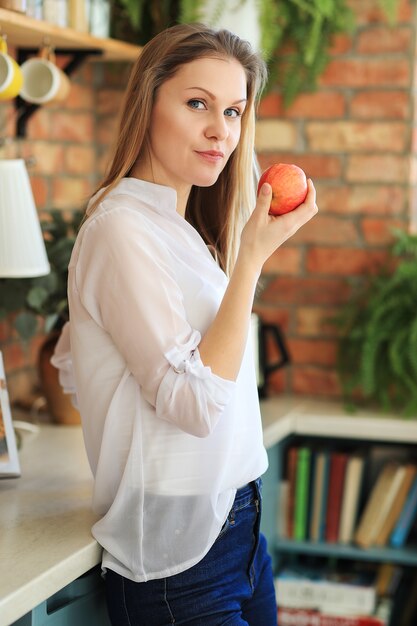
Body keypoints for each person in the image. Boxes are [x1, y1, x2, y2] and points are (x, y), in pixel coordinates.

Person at [52, 22, 318, 626]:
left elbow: (79, 358)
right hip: (180, 561)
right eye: (198, 103)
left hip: (240, 527)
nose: (220, 131)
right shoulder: (120, 227)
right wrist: (251, 259)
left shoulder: (179, 227)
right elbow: (192, 405)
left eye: (233, 110)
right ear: (148, 101)